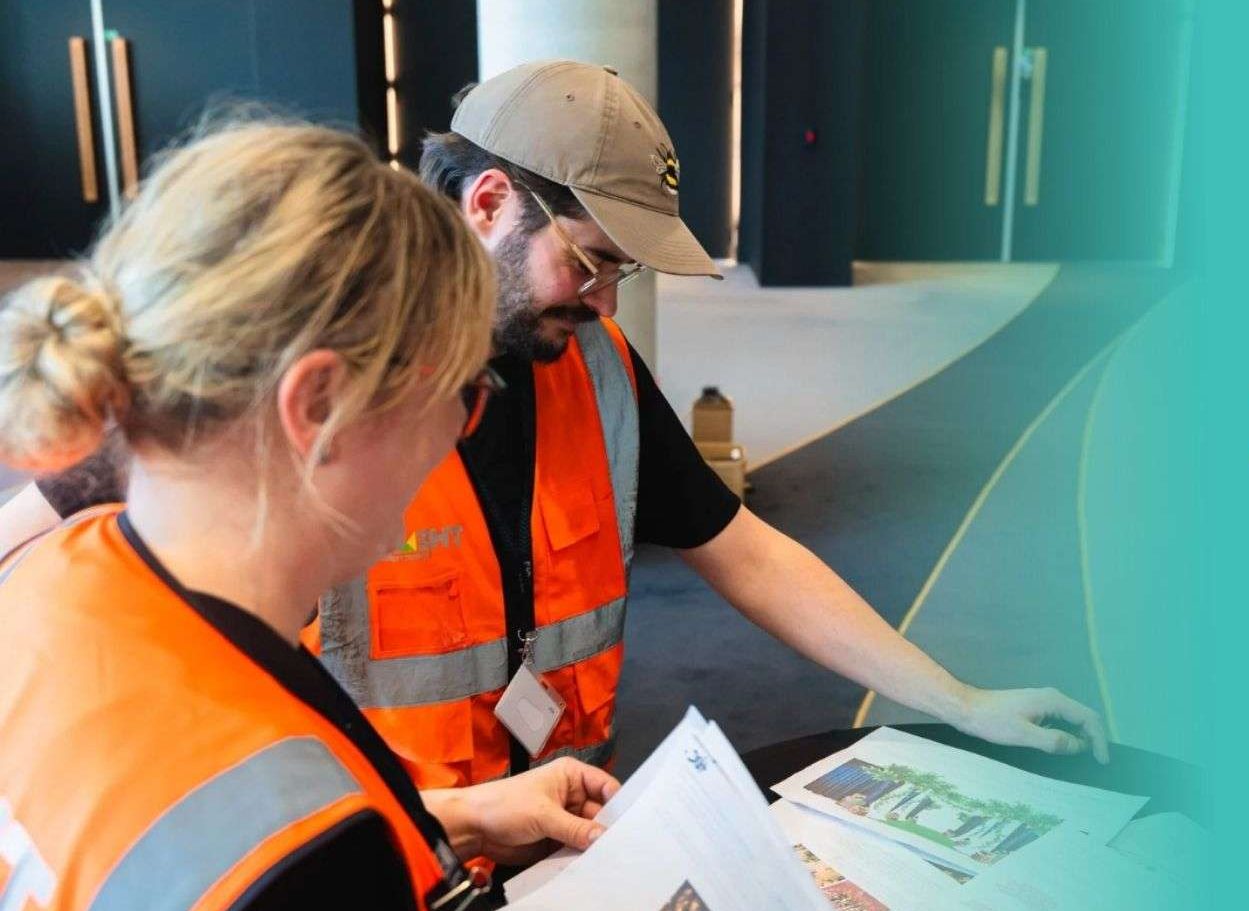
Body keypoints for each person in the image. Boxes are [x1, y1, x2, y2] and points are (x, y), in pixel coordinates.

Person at [0, 59, 1109, 789]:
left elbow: (742, 547)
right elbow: (44, 537)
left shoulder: (594, 362)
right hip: (365, 871)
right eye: (589, 259)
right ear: (487, 204)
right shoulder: (300, 385)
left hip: (556, 840)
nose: (606, 300)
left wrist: (957, 696)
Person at [0, 121, 621, 911]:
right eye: (462, 395)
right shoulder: (318, 894)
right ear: (321, 403)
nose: (462, 438)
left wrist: (446, 819)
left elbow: (156, 857)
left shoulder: (46, 591)